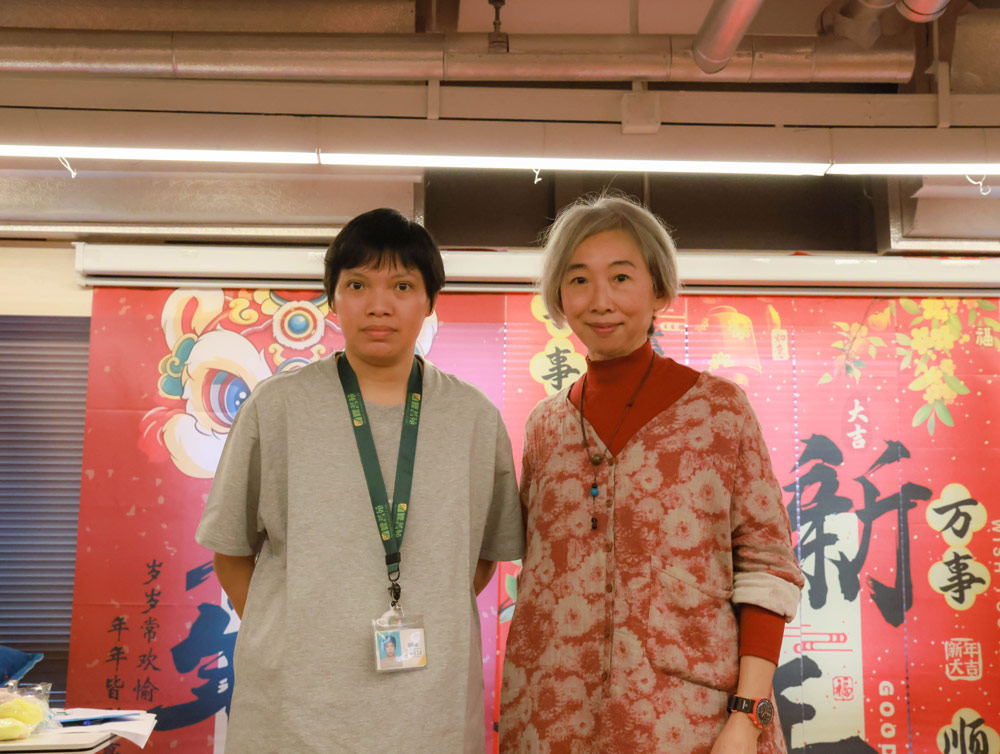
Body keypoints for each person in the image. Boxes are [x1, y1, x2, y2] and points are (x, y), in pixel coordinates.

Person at [196, 207, 525, 754]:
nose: (379, 304)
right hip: (292, 713)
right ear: (333, 298)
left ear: (430, 301)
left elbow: (483, 557)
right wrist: (294, 633)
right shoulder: (276, 408)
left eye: (402, 286)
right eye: (357, 285)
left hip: (431, 713)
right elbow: (230, 551)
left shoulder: (474, 418)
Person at [499, 194, 804, 754]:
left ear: (659, 290)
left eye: (621, 277)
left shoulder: (719, 410)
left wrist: (748, 716)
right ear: (560, 297)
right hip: (553, 716)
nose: (600, 301)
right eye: (578, 280)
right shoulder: (546, 425)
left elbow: (767, 565)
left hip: (691, 720)